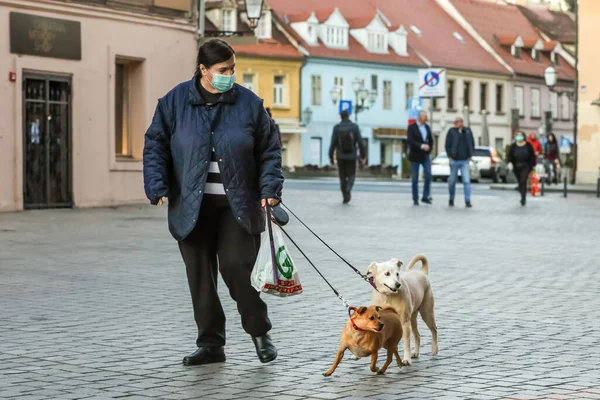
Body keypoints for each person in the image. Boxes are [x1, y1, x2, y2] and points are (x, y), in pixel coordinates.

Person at [142, 39, 283, 366]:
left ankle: (260, 331)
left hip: (238, 206)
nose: (229, 75)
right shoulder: (174, 102)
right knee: (200, 278)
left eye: (232, 69)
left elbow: (270, 150)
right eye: (222, 70)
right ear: (203, 70)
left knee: (237, 268)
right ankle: (210, 344)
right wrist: (157, 184)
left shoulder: (249, 104)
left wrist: (270, 187)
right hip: (192, 206)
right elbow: (155, 146)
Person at [329, 110, 366, 204]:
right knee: (352, 175)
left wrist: (331, 157)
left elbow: (333, 143)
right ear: (349, 116)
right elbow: (361, 143)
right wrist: (363, 156)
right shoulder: (354, 127)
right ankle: (348, 188)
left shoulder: (337, 127)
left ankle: (345, 196)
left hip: (340, 156)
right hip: (352, 156)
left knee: (342, 176)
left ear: (340, 117)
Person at [445, 117, 475, 208]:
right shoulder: (451, 131)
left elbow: (472, 143)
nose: (457, 124)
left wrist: (471, 154)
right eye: (456, 122)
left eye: (459, 122)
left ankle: (467, 200)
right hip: (454, 160)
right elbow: (447, 144)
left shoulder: (467, 131)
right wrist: (449, 156)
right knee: (452, 181)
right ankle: (451, 199)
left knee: (466, 181)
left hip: (465, 160)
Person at [407, 110, 434, 206]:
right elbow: (410, 141)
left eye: (426, 116)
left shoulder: (427, 127)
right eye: (424, 117)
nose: (426, 118)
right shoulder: (411, 127)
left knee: (428, 174)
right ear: (419, 117)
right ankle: (415, 198)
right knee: (415, 178)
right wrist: (421, 146)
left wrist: (429, 148)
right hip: (415, 155)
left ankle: (425, 196)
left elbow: (431, 140)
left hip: (425, 155)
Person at [507, 132, 537, 206]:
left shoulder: (528, 145)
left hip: (525, 166)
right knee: (520, 182)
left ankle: (523, 198)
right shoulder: (513, 146)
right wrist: (509, 162)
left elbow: (532, 156)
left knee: (523, 180)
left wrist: (533, 165)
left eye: (520, 135)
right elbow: (509, 155)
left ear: (523, 137)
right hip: (516, 166)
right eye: (517, 135)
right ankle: (522, 192)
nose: (519, 137)